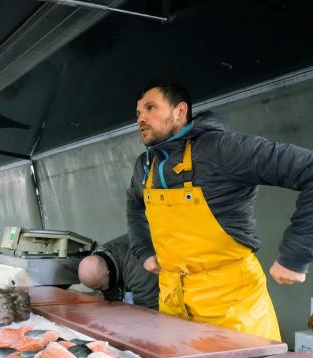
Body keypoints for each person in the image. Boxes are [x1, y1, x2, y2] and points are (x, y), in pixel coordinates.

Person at [127, 79, 310, 341]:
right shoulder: (145, 166)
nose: (141, 118)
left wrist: (296, 254)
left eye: (150, 108)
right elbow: (134, 204)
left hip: (232, 307)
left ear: (180, 111)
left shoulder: (224, 149)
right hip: (173, 306)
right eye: (138, 113)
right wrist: (143, 250)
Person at [77, 234, 159, 310]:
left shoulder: (138, 272)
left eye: (100, 287)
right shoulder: (100, 256)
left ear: (109, 273)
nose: (99, 291)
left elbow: (148, 312)